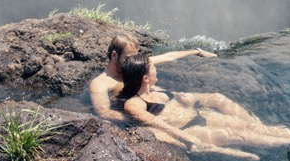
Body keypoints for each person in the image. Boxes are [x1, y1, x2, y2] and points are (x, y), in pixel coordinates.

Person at [120, 54, 290, 160]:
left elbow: (184, 101)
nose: (158, 69)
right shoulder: (134, 104)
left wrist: (191, 99)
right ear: (145, 78)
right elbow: (159, 126)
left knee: (253, 127)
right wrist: (190, 141)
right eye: (154, 68)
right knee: (241, 136)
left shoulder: (158, 88)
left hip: (202, 116)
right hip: (191, 130)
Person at [89, 33, 218, 121]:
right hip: (151, 113)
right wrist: (143, 117)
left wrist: (197, 52)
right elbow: (103, 112)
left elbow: (168, 56)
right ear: (114, 55)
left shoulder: (134, 64)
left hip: (166, 101)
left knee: (217, 101)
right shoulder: (100, 83)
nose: (133, 61)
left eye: (135, 56)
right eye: (128, 58)